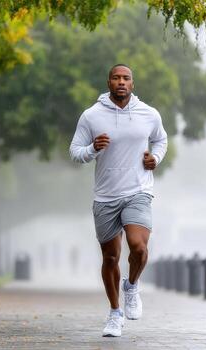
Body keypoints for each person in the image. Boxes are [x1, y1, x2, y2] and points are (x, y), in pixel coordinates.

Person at [69, 64, 167, 337]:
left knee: (138, 246)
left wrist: (155, 159)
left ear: (132, 84)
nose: (121, 82)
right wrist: (92, 149)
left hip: (138, 191)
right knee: (110, 257)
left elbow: (161, 140)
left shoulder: (149, 114)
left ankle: (132, 286)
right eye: (116, 78)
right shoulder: (91, 116)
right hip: (105, 197)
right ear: (109, 82)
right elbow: (75, 151)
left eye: (126, 78)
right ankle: (115, 313)